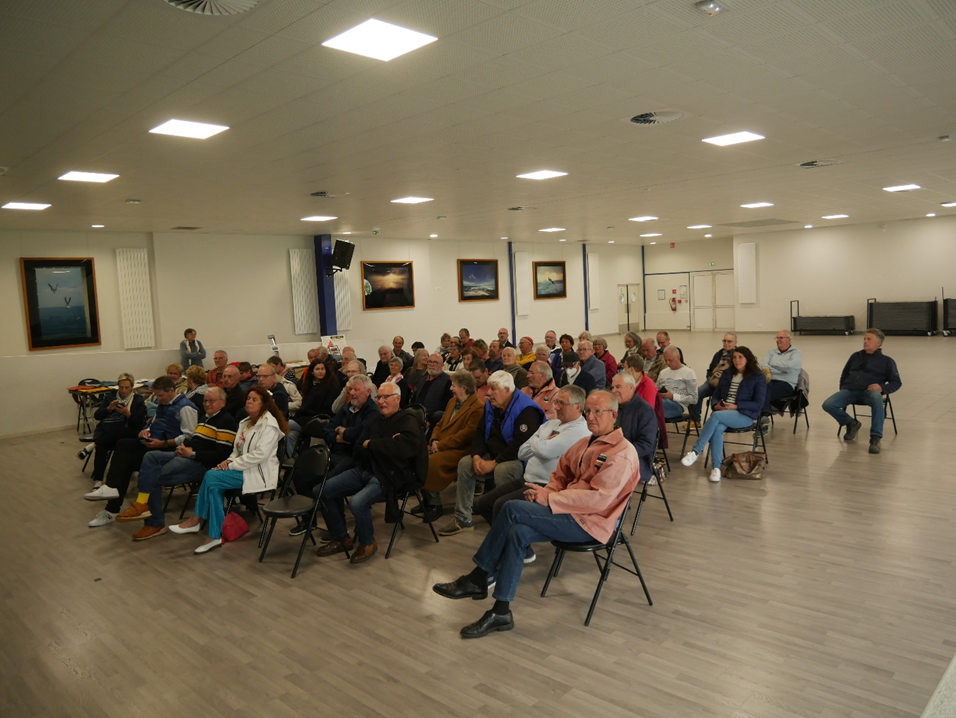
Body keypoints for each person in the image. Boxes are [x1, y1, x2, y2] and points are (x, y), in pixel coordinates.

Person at [432, 390, 639, 639]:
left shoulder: (622, 453)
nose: (591, 417)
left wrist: (549, 499)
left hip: (591, 523)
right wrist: (545, 491)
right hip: (569, 512)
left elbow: (599, 500)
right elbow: (560, 474)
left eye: (598, 412)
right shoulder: (586, 443)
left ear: (613, 415)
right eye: (588, 411)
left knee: (511, 508)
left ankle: (477, 578)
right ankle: (501, 612)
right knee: (517, 532)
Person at [315, 382, 427, 564]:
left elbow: (404, 451)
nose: (381, 401)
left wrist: (372, 444)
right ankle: (341, 538)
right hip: (365, 468)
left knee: (357, 503)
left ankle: (367, 543)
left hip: (390, 475)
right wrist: (386, 444)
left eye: (386, 397)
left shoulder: (408, 420)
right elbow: (358, 448)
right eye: (379, 397)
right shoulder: (374, 420)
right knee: (322, 491)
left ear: (398, 399)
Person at [169, 386, 287, 553]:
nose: (249, 402)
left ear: (264, 404)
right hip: (242, 469)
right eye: (248, 399)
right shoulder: (245, 423)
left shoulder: (269, 425)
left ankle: (196, 520)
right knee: (214, 485)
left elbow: (259, 455)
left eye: (254, 400)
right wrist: (228, 461)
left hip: (259, 473)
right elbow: (236, 450)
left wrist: (231, 465)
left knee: (211, 476)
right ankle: (214, 535)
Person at [113, 387, 238, 540]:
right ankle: (142, 503)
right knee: (150, 456)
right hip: (189, 455)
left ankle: (154, 523)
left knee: (153, 477)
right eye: (205, 401)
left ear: (223, 402)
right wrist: (183, 446)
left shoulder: (226, 422)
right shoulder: (205, 417)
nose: (207, 404)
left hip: (203, 465)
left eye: (212, 401)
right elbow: (197, 441)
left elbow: (221, 455)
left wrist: (192, 454)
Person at [474, 385, 590, 539]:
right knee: (484, 504)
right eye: (556, 402)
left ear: (577, 407)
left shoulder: (579, 430)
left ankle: (507, 544)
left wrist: (539, 440)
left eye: (562, 403)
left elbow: (544, 450)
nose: (556, 407)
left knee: (501, 505)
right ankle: (511, 542)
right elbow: (522, 452)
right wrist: (543, 441)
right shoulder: (551, 424)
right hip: (528, 479)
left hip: (546, 485)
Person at [438, 371, 544, 536]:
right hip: (493, 454)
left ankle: (503, 523)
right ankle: (463, 519)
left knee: (503, 470)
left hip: (519, 459)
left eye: (493, 389)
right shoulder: (491, 405)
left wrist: (494, 463)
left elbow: (521, 445)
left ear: (507, 390)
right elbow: (480, 432)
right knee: (465, 464)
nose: (488, 393)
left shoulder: (527, 409)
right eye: (489, 388)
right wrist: (476, 456)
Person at [85, 376, 198, 527]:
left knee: (126, 462)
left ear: (172, 390)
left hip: (170, 448)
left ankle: (112, 509)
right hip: (155, 442)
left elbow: (189, 437)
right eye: (157, 395)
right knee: (123, 444)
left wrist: (162, 443)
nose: (158, 399)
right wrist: (146, 431)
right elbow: (155, 423)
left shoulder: (186, 408)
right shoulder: (164, 403)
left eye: (161, 395)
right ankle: (111, 488)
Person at [681, 347, 767, 482]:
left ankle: (696, 451)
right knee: (717, 428)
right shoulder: (727, 373)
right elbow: (716, 395)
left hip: (744, 414)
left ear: (748, 359)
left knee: (715, 416)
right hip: (724, 412)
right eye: (734, 357)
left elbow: (759, 404)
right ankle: (716, 468)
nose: (737, 360)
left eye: (740, 357)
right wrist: (716, 405)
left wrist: (736, 406)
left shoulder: (757, 376)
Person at [822, 328, 901, 455]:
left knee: (877, 398)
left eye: (869, 339)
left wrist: (882, 388)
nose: (865, 341)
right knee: (828, 404)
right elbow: (845, 374)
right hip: (850, 391)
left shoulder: (887, 361)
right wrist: (843, 388)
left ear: (878, 343)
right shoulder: (855, 356)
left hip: (869, 392)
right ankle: (851, 423)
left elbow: (896, 382)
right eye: (864, 339)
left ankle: (875, 437)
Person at [418, 370, 484, 521]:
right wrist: (434, 439)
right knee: (417, 456)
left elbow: (466, 435)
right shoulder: (452, 402)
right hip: (442, 444)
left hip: (460, 449)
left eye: (453, 385)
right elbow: (439, 424)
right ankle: (426, 500)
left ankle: (435, 505)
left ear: (464, 388)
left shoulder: (477, 407)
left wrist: (441, 445)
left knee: (430, 462)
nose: (450, 388)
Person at [78, 373, 147, 490]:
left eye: (127, 387)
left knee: (119, 431)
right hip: (108, 430)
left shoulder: (138, 400)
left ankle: (92, 445)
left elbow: (139, 423)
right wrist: (108, 409)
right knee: (102, 447)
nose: (123, 390)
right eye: (121, 387)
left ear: (132, 387)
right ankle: (98, 480)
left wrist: (127, 414)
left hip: (127, 433)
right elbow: (97, 416)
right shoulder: (110, 397)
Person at [322, 375, 379, 479]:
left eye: (356, 390)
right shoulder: (347, 408)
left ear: (368, 392)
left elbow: (356, 435)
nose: (352, 393)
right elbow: (326, 431)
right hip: (334, 452)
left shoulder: (373, 412)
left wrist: (339, 429)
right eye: (351, 389)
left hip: (352, 457)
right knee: (302, 473)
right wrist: (340, 437)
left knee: (324, 481)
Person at [610, 373, 658, 485]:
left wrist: (619, 453)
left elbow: (646, 445)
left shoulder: (645, 410)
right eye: (612, 387)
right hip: (612, 455)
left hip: (636, 460)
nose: (613, 391)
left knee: (607, 472)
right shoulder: (612, 407)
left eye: (618, 387)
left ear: (631, 387)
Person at [286, 359, 341, 456]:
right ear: (312, 372)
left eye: (322, 369)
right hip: (305, 417)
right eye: (317, 369)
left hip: (317, 419)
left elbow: (326, 407)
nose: (320, 371)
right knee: (290, 435)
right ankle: (296, 460)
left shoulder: (331, 386)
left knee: (283, 426)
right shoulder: (310, 385)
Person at [690, 332, 737, 425]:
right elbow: (710, 369)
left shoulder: (738, 356)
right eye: (724, 341)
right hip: (713, 382)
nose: (726, 343)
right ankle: (695, 421)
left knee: (721, 397)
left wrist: (723, 378)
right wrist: (710, 377)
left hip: (727, 385)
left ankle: (717, 420)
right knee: (697, 392)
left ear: (735, 342)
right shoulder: (718, 354)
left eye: (729, 341)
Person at [760, 329, 802, 431]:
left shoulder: (796, 353)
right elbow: (763, 366)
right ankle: (763, 418)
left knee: (763, 391)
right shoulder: (771, 352)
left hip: (786, 384)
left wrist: (771, 366)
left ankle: (763, 417)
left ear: (789, 340)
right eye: (777, 338)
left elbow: (791, 366)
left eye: (781, 338)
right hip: (770, 381)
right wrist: (781, 370)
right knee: (759, 388)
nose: (778, 340)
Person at [623, 354, 666, 448]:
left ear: (631, 369)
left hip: (641, 423)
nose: (623, 371)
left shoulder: (648, 385)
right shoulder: (630, 382)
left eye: (625, 368)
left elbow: (647, 411)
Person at [656, 346, 697, 420]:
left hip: (677, 405)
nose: (667, 363)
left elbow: (694, 399)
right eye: (665, 360)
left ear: (678, 357)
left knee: (650, 405)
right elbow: (656, 389)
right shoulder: (663, 373)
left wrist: (672, 396)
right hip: (662, 401)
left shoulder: (689, 372)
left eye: (670, 360)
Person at [411, 354, 453, 423]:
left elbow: (447, 405)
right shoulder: (423, 380)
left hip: (434, 421)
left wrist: (430, 421)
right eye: (430, 362)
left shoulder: (448, 381)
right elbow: (415, 399)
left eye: (435, 362)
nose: (432, 365)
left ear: (442, 365)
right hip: (417, 417)